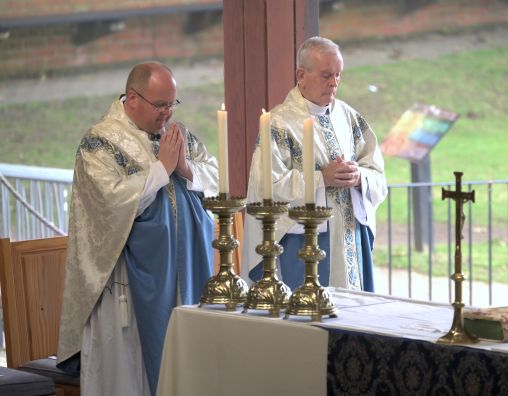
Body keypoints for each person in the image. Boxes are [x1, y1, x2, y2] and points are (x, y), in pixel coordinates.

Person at [57, 61, 219, 396]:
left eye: (173, 104)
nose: (168, 114)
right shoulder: (99, 144)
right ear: (133, 98)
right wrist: (161, 170)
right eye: (161, 105)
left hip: (181, 278)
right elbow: (109, 204)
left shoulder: (179, 135)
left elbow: (217, 175)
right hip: (126, 285)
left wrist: (187, 169)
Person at [241, 37, 387, 292]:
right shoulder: (279, 123)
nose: (334, 83)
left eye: (338, 75)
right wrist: (322, 178)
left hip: (350, 238)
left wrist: (358, 176)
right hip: (303, 244)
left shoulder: (349, 117)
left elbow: (377, 173)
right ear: (301, 75)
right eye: (326, 75)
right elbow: (266, 187)